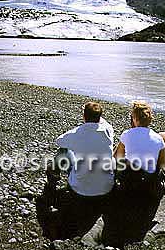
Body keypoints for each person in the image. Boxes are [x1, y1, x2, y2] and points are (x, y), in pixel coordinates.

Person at [102, 101, 165, 247]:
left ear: (134, 118)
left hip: (129, 185)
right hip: (148, 188)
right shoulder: (158, 139)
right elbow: (161, 166)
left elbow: (116, 157)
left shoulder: (127, 134)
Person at [36, 102, 115, 240]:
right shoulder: (108, 130)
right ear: (99, 117)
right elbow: (103, 122)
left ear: (84, 116)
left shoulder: (78, 133)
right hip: (106, 188)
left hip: (80, 189)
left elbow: (59, 141)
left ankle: (53, 180)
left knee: (64, 151)